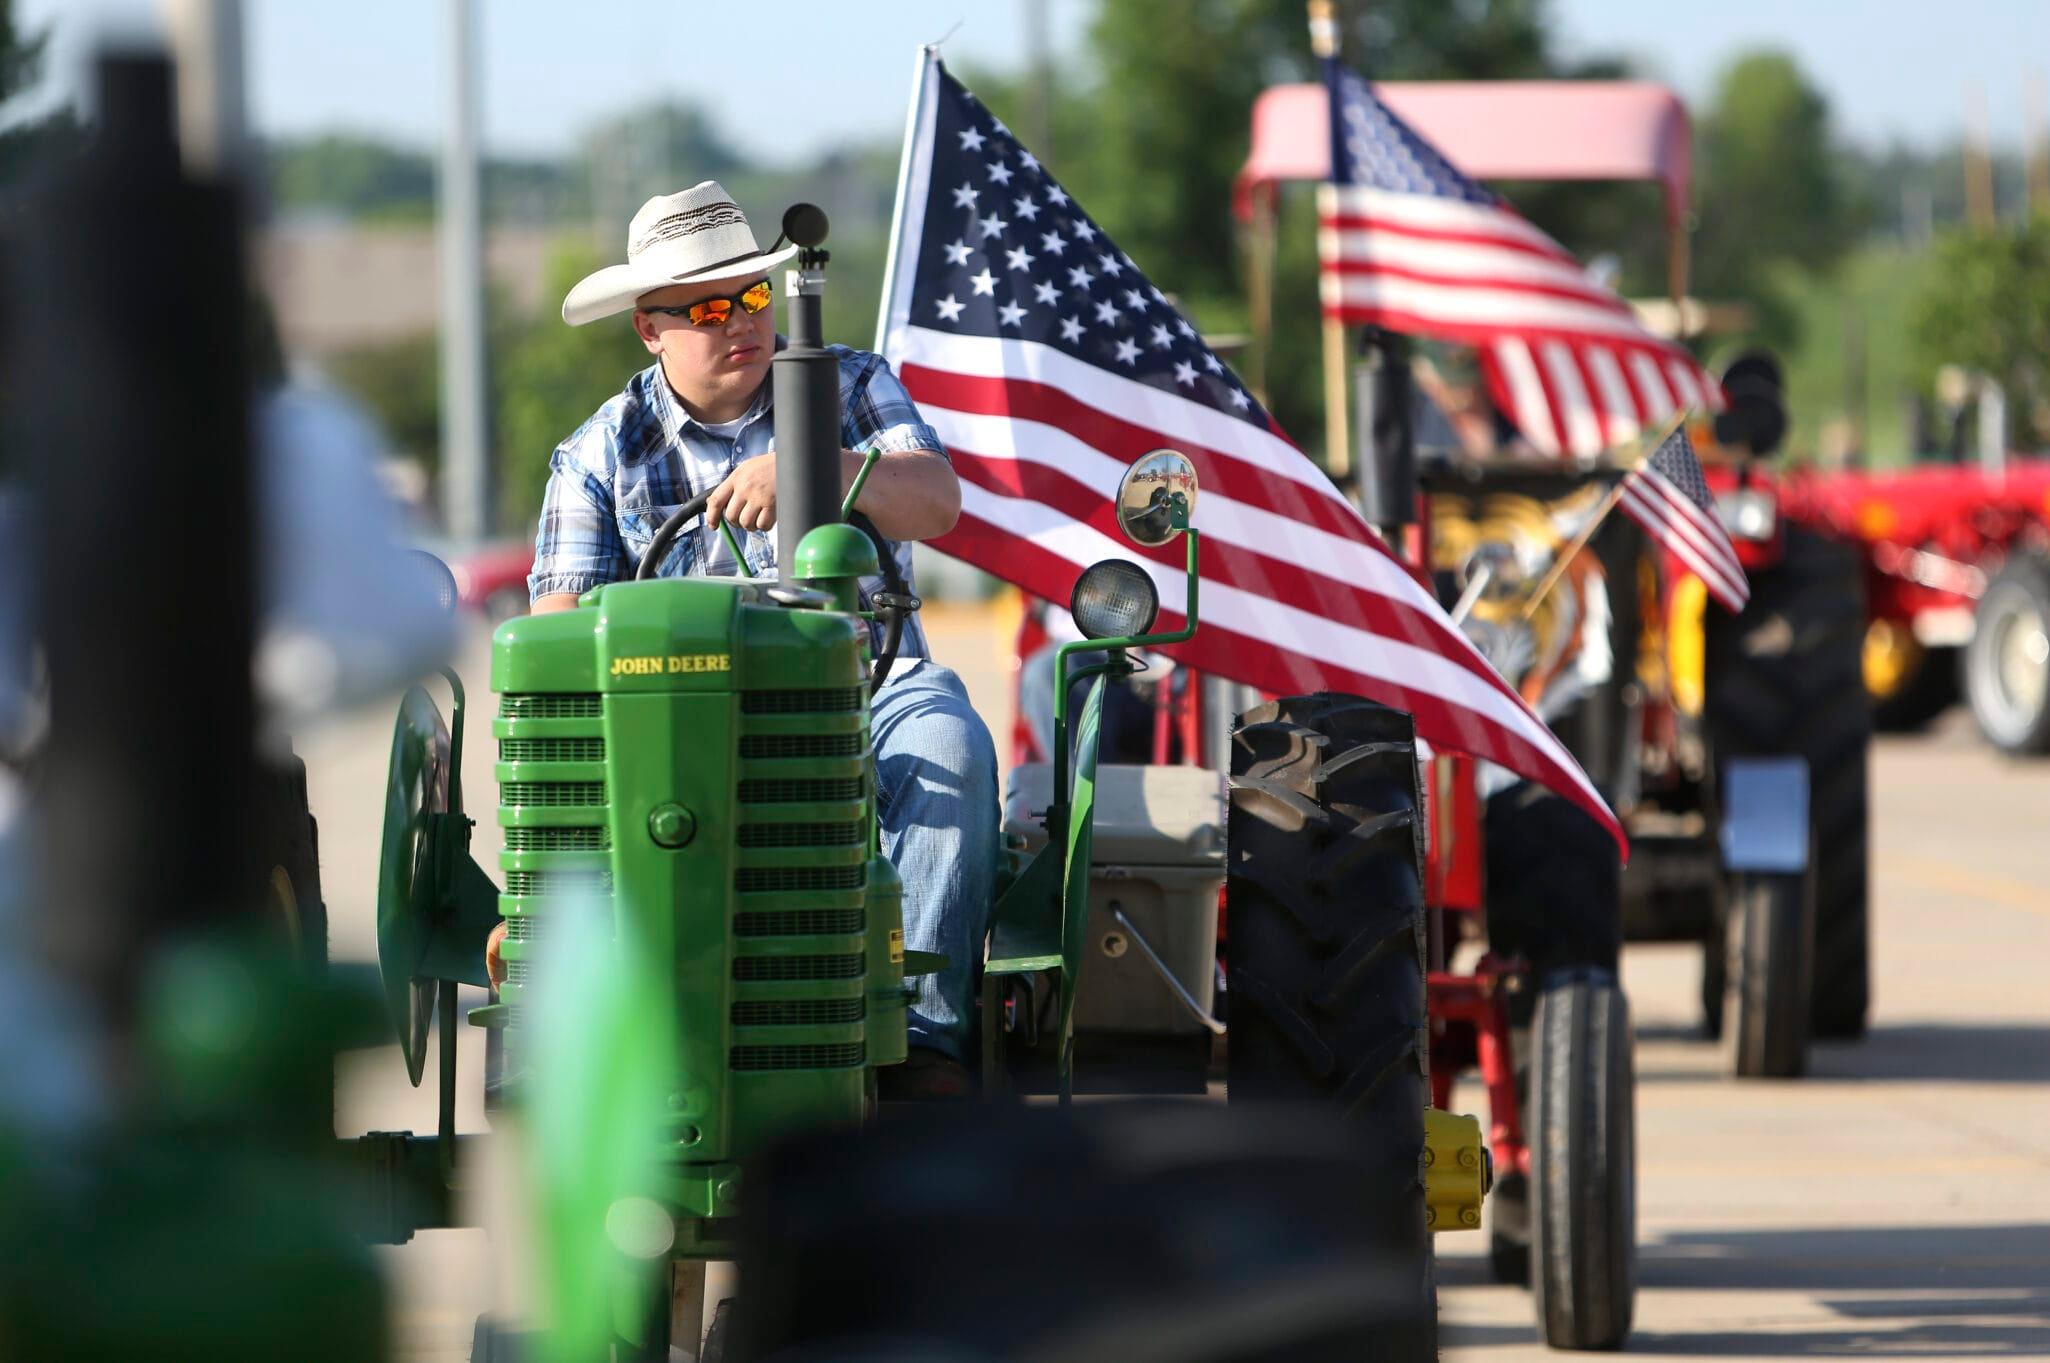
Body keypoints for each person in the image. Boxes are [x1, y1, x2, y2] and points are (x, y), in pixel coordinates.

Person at [489, 182, 997, 1096]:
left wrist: (820, 465)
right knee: (577, 777)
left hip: (870, 686)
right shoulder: (599, 451)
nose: (740, 324)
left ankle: (924, 1042)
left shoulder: (849, 383)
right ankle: (590, 1034)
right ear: (650, 328)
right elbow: (558, 643)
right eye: (709, 309)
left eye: (754, 296)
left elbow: (937, 498)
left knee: (948, 744)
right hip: (673, 716)